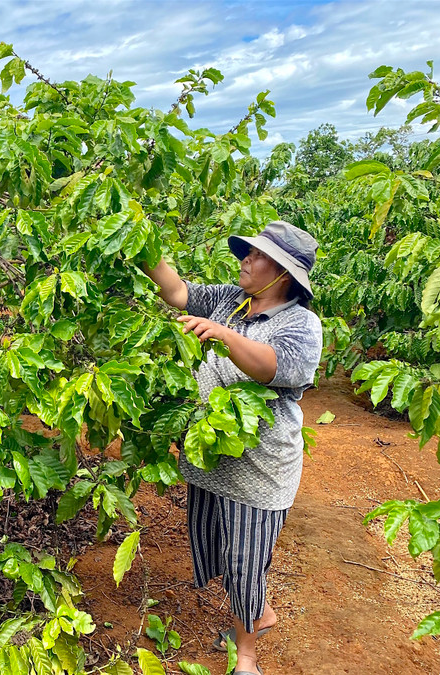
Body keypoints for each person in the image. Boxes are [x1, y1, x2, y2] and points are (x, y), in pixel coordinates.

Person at [142, 220, 322, 675]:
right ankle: (260, 611)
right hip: (211, 458)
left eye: (258, 255)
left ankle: (246, 656)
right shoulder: (227, 299)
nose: (246, 258)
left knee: (245, 564)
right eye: (248, 251)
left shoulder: (301, 325)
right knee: (222, 549)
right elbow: (177, 291)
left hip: (260, 471)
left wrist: (224, 335)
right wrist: (138, 241)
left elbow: (274, 368)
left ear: (284, 272)